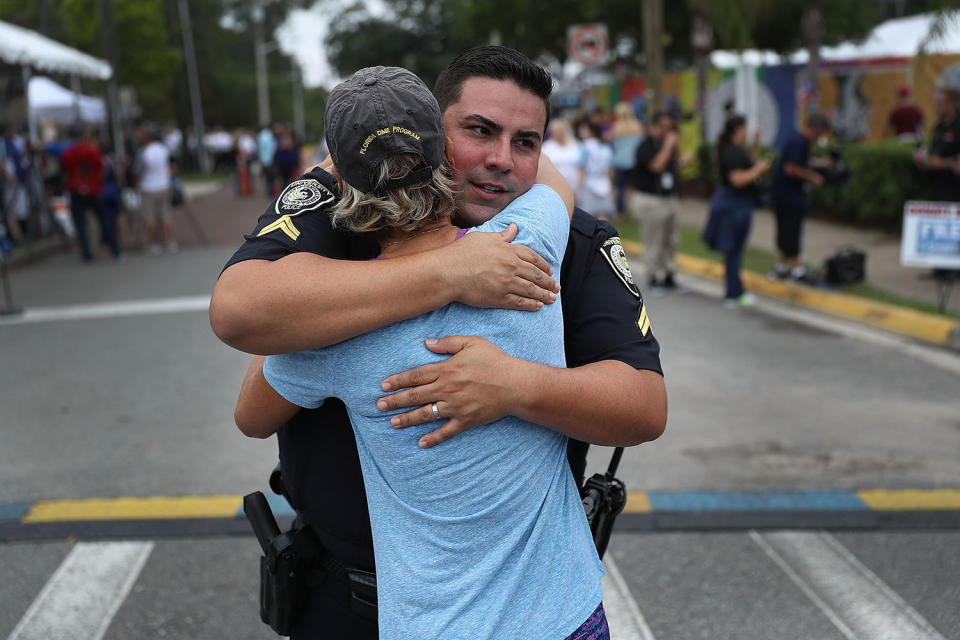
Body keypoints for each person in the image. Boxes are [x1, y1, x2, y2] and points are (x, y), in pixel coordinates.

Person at [210, 45, 666, 638]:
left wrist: (516, 385)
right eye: (478, 131)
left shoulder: (562, 240)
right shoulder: (528, 236)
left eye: (526, 141)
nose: (501, 160)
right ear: (432, 130)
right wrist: (449, 274)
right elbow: (237, 308)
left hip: (494, 610)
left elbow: (644, 406)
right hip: (342, 600)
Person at [702, 115, 771, 307]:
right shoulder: (730, 152)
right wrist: (758, 170)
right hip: (734, 207)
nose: (746, 132)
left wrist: (756, 144)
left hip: (739, 205)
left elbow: (746, 162)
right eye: (745, 129)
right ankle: (732, 293)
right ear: (737, 130)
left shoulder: (734, 151)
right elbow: (738, 178)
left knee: (736, 251)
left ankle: (736, 290)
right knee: (733, 250)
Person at [768, 113, 831, 281]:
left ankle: (781, 266)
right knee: (792, 230)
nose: (819, 138)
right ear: (815, 130)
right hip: (790, 196)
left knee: (785, 230)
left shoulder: (798, 140)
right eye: (820, 134)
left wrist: (820, 162)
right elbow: (790, 168)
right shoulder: (799, 142)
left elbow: (801, 161)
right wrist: (812, 177)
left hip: (782, 195)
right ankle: (796, 269)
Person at [626, 111, 681, 291]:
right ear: (654, 127)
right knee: (653, 240)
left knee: (671, 240)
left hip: (668, 198)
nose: (668, 131)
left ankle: (669, 275)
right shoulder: (645, 146)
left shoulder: (667, 146)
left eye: (670, 128)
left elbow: (672, 166)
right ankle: (653, 277)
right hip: (650, 200)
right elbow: (656, 166)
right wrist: (668, 146)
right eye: (664, 127)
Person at [60, 127, 123, 262]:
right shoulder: (94, 151)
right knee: (104, 220)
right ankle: (116, 251)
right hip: (94, 189)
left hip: (76, 190)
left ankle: (87, 254)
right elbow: (103, 169)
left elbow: (65, 172)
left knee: (80, 225)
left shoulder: (68, 153)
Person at [136, 125, 177, 254]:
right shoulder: (164, 149)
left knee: (150, 217)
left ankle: (154, 244)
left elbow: (138, 171)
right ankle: (170, 242)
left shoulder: (143, 152)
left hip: (148, 187)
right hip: (164, 185)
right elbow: (172, 166)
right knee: (165, 215)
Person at [915, 87, 960, 203]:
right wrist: (923, 159)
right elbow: (935, 156)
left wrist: (941, 163)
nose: (935, 108)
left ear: (951, 104)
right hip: (937, 189)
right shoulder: (938, 127)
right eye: (934, 103)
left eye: (939, 104)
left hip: (955, 191)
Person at [607, 102, 645, 217]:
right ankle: (638, 212)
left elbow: (610, 141)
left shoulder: (616, 127)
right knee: (638, 189)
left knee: (620, 190)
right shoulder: (638, 125)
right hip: (634, 162)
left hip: (619, 161)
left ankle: (620, 213)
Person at [575, 119, 615, 219]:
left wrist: (577, 189)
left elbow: (582, 169)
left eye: (584, 129)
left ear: (592, 131)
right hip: (604, 183)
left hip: (588, 183)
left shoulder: (584, 147)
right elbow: (609, 170)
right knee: (603, 216)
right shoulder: (606, 148)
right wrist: (611, 187)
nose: (581, 131)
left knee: (588, 217)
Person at [541, 118, 582, 193]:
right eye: (554, 131)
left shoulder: (575, 145)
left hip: (574, 188)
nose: (556, 133)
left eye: (559, 131)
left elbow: (581, 167)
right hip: (555, 188)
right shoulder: (547, 147)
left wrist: (578, 187)